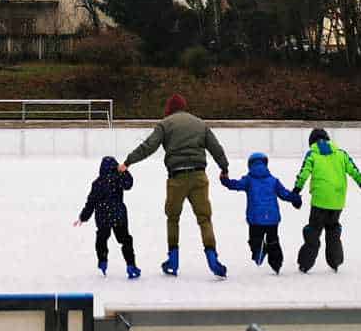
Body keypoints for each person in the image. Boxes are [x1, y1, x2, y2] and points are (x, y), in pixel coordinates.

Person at [120, 93, 230, 278]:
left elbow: (149, 146)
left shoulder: (165, 124)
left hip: (177, 178)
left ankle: (173, 259)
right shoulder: (199, 123)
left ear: (169, 108)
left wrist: (128, 162)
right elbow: (216, 148)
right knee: (204, 218)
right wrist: (224, 167)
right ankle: (212, 257)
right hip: (198, 176)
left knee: (173, 218)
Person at [292, 128, 361, 273]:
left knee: (313, 231)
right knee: (333, 229)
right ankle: (335, 261)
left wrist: (296, 191)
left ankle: (305, 263)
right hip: (337, 201)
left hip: (319, 201)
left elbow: (303, 174)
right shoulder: (341, 154)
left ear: (311, 142)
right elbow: (354, 170)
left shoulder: (312, 154)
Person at [219, 152, 301, 274]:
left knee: (254, 241)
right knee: (273, 240)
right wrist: (295, 198)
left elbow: (235, 185)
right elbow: (285, 194)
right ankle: (276, 264)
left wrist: (225, 180)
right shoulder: (273, 181)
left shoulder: (248, 180)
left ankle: (259, 252)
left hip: (256, 219)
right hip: (272, 218)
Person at [74, 156, 140, 279]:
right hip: (118, 216)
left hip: (103, 218)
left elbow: (91, 202)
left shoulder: (97, 183)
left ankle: (102, 260)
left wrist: (83, 217)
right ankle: (131, 265)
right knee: (125, 240)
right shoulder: (118, 179)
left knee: (102, 239)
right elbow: (129, 184)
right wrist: (124, 170)